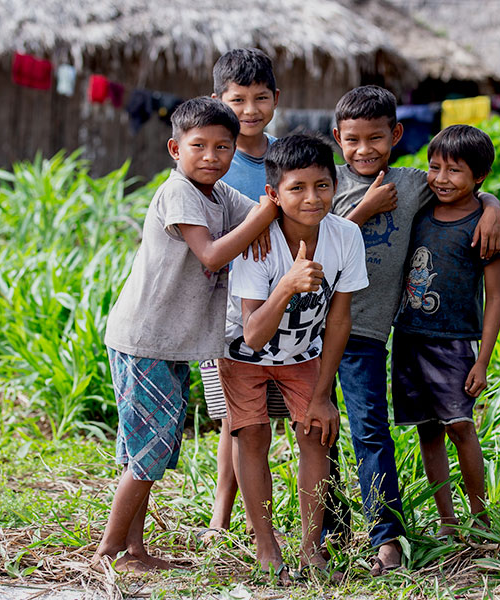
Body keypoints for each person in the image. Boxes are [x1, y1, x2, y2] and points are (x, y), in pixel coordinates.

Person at [95, 97, 277, 573]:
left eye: (223, 147)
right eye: (199, 146)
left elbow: (262, 207)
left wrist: (264, 213)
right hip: (146, 338)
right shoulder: (179, 192)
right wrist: (259, 221)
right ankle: (107, 552)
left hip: (171, 341)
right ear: (176, 148)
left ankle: (134, 551)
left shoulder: (219, 195)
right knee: (150, 452)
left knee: (150, 449)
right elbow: (212, 255)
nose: (212, 156)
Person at [330, 85, 500, 575]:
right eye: (353, 139)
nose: (364, 149)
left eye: (376, 138)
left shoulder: (412, 185)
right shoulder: (324, 182)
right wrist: (365, 207)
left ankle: (393, 534)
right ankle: (327, 528)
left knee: (374, 431)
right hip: (316, 332)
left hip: (369, 333)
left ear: (396, 135)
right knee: (317, 432)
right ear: (338, 138)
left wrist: (491, 207)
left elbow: (468, 183)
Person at [219, 134, 368, 582]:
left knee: (315, 434)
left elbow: (339, 322)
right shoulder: (258, 242)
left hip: (304, 353)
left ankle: (310, 549)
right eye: (297, 188)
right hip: (243, 354)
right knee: (253, 437)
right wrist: (286, 284)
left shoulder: (346, 235)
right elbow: (253, 333)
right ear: (273, 195)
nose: (312, 198)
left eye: (322, 186)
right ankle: (267, 548)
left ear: (336, 185)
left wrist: (323, 395)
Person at [391, 124, 500, 538]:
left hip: (454, 343)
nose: (441, 178)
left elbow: (494, 298)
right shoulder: (420, 211)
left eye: (454, 170)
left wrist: (483, 360)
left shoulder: (485, 225)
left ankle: (479, 519)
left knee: (460, 426)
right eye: (434, 167)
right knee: (428, 429)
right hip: (409, 336)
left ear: (479, 177)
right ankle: (447, 520)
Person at [197, 47, 290, 544]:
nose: (249, 110)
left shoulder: (284, 156)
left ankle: (254, 513)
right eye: (237, 100)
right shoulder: (214, 158)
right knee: (236, 415)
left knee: (265, 417)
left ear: (276, 98)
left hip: (280, 306)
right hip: (224, 306)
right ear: (218, 100)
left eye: (259, 98)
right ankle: (222, 512)